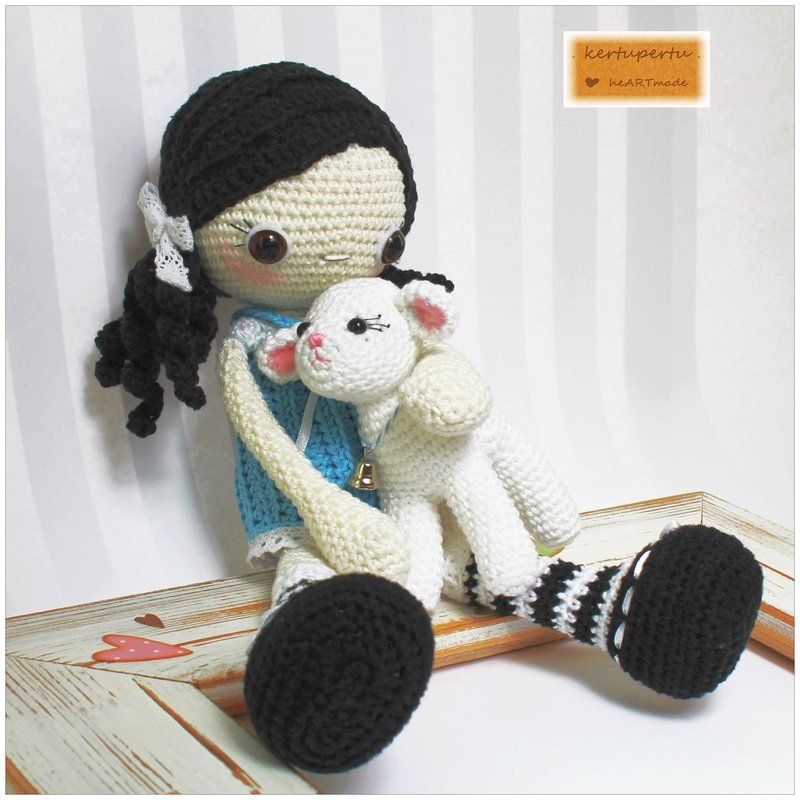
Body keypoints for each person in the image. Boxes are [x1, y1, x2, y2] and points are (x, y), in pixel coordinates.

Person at [95, 62, 763, 774]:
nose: (351, 257)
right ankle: (318, 667)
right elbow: (267, 445)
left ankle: (624, 610)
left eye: (385, 243)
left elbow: (435, 373)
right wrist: (329, 510)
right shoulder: (258, 346)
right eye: (270, 244)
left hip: (408, 495)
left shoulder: (386, 308)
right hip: (313, 518)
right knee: (310, 577)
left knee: (489, 566)